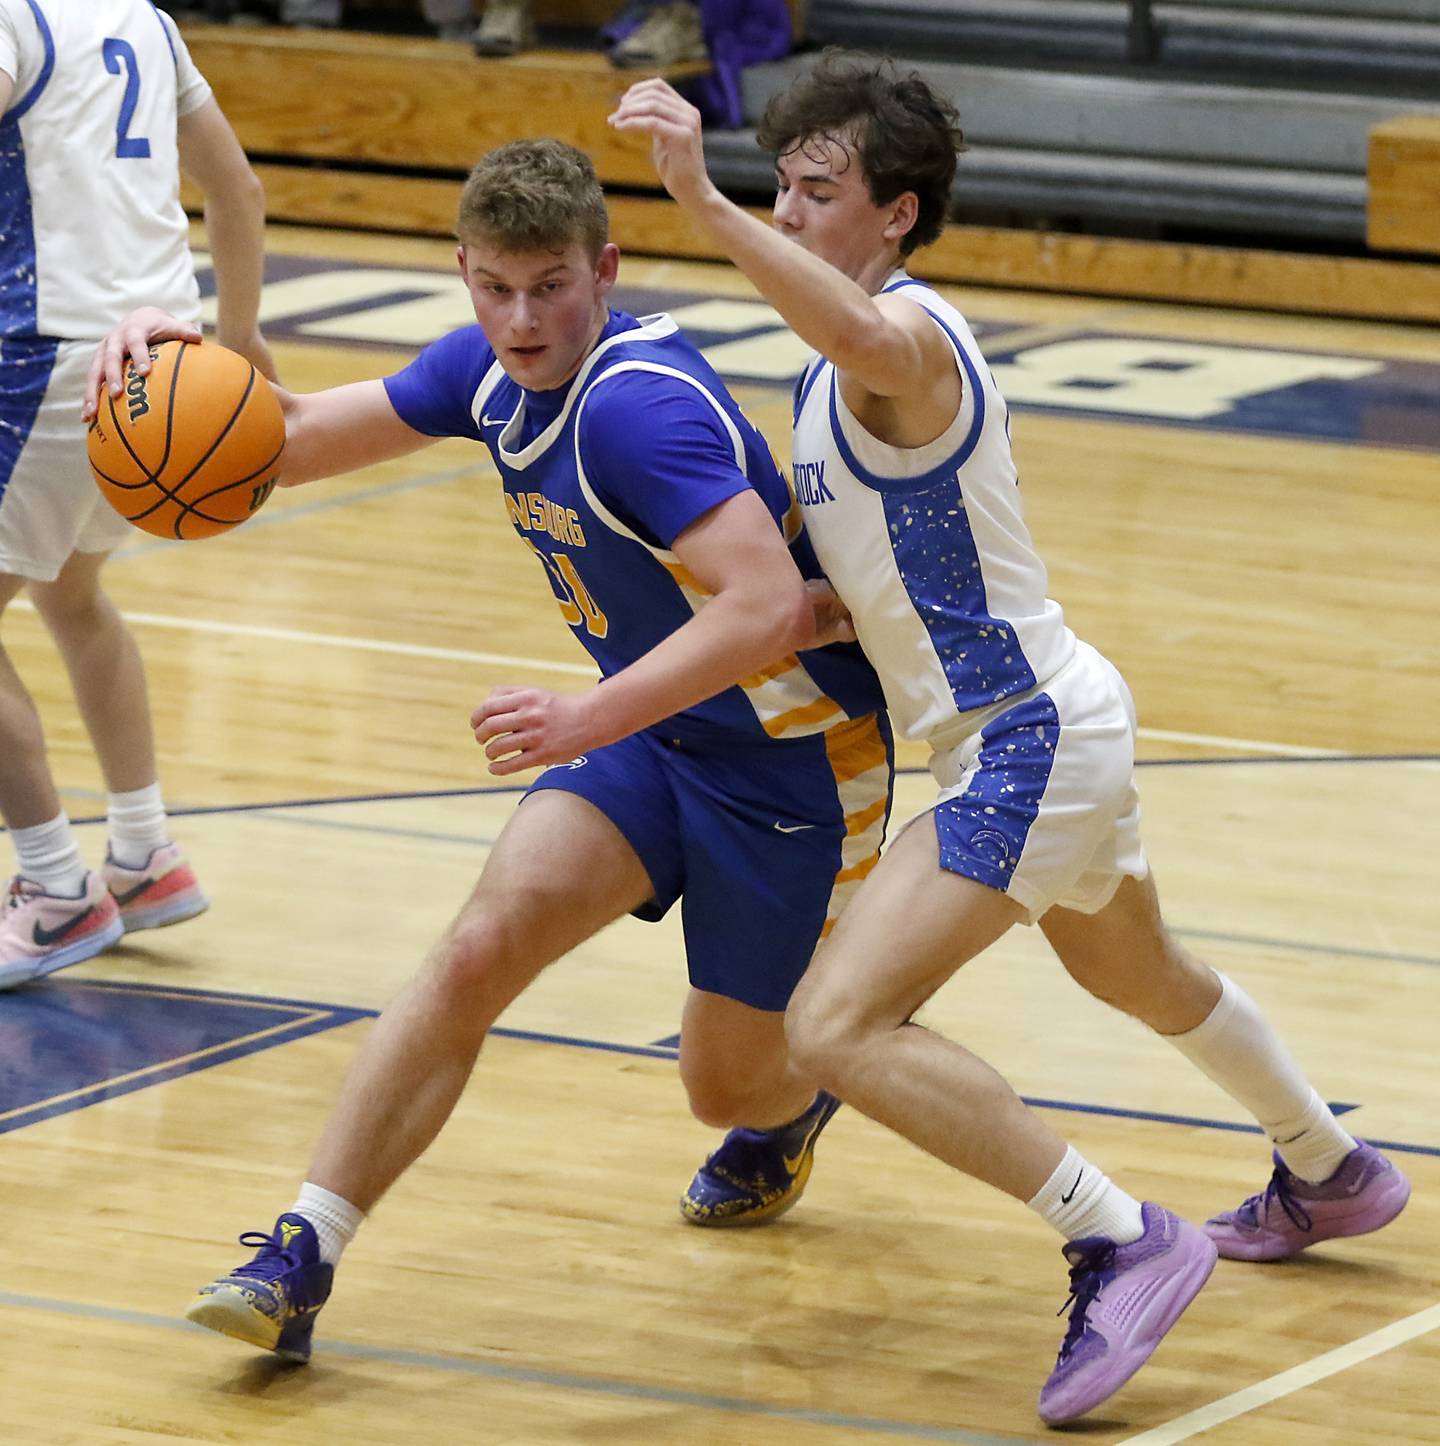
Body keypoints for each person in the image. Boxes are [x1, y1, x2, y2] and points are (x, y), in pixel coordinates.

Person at [610, 53, 1412, 1427]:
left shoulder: (905, 336)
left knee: (837, 1025)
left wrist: (698, 198)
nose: (791, 211)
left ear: (900, 216)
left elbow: (869, 350)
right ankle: (1329, 1169)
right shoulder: (829, 372)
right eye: (779, 186)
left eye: (819, 192)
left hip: (1021, 738)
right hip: (1054, 717)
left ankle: (1117, 1234)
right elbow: (872, 575)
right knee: (1143, 972)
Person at [87, 137, 891, 1361]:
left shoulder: (635, 412)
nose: (521, 321)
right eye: (496, 288)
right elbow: (284, 437)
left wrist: (582, 717)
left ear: (605, 269)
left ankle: (814, 1077)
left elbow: (769, 607)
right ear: (463, 271)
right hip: (659, 728)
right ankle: (302, 1250)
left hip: (796, 757)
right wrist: (174, 353)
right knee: (476, 947)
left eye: (550, 287)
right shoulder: (487, 371)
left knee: (732, 1089)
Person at [0, 0, 273, 989]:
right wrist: (238, 345)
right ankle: (144, 851)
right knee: (72, 596)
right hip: (158, 367)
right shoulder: (146, 22)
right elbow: (236, 192)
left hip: (38, 362)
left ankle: (54, 889)